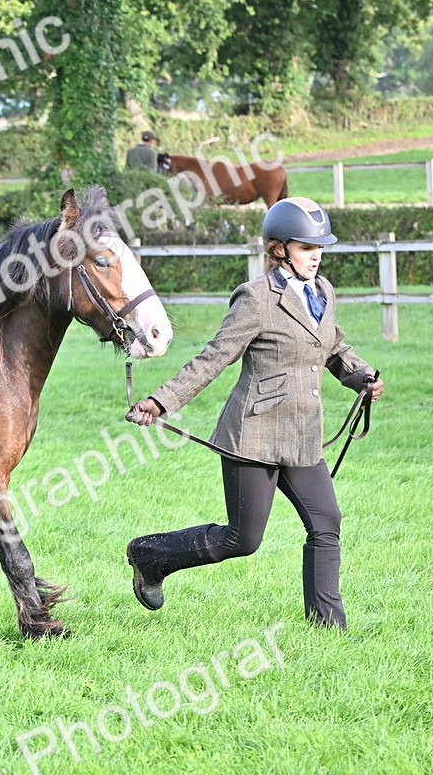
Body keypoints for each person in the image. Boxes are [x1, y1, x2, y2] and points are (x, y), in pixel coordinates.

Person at [124, 197, 385, 630]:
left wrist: (362, 377)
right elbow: (213, 358)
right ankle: (150, 556)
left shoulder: (323, 292)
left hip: (303, 437)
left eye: (319, 247)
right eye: (306, 247)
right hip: (254, 436)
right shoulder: (256, 299)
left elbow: (334, 348)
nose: (316, 256)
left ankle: (327, 628)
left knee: (326, 523)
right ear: (279, 248)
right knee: (242, 539)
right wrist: (161, 400)